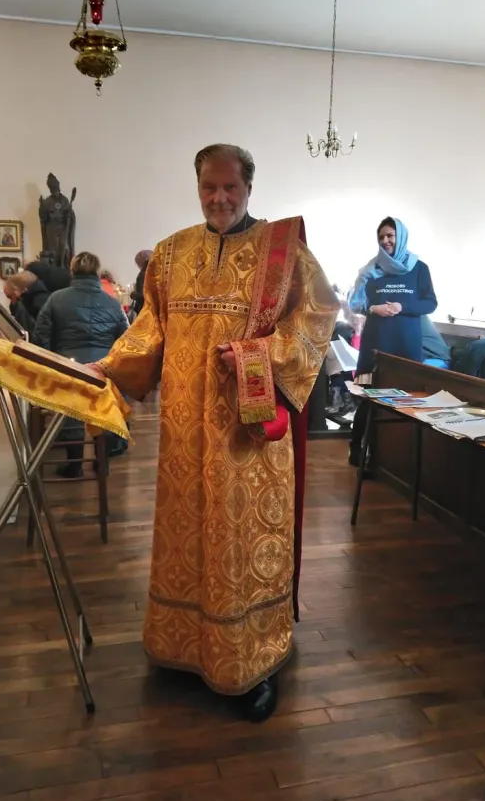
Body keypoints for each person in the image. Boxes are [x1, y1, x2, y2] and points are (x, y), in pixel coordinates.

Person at [89, 143, 337, 721]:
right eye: (209, 187)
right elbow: (149, 326)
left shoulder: (286, 254)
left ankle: (252, 656)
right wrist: (109, 365)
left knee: (239, 540)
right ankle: (182, 644)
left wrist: (261, 351)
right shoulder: (170, 253)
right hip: (182, 433)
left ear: (249, 187)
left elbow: (317, 317)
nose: (219, 198)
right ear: (197, 186)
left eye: (230, 187)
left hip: (246, 437)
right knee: (187, 532)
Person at [348, 216, 438, 465]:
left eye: (390, 235)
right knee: (367, 399)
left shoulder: (419, 268)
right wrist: (372, 308)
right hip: (374, 348)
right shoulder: (370, 270)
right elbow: (355, 303)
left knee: (405, 401)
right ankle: (358, 450)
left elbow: (430, 303)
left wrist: (402, 306)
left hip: (406, 348)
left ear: (401, 237)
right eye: (381, 237)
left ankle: (397, 460)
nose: (386, 241)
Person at [33, 251, 128, 476]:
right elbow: (124, 338)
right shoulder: (112, 302)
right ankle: (102, 463)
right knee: (103, 413)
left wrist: (50, 362)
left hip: (68, 365)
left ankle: (74, 464)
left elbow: (41, 334)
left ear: (72, 270)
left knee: (71, 415)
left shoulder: (56, 298)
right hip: (102, 368)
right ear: (97, 271)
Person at [3, 271, 50, 335]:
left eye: (10, 297)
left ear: (17, 291)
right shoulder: (37, 298)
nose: (12, 301)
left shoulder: (34, 303)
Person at [130, 250, 153, 317]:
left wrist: (133, 294)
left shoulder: (143, 274)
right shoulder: (158, 272)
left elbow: (144, 296)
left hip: (145, 312)